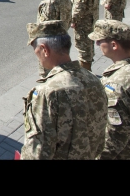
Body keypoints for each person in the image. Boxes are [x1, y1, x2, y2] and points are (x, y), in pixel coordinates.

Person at [21, 20, 107, 160]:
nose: (36, 55)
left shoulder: (47, 92)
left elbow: (38, 152)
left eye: (35, 49)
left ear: (44, 50)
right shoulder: (94, 80)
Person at [89, 20, 130, 160]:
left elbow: (114, 136)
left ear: (114, 45)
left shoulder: (117, 84)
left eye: (99, 41)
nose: (97, 45)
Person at [34, 0, 72, 78]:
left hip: (49, 46)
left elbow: (45, 27)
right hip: (62, 40)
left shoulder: (49, 2)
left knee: (46, 75)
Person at [70, 0, 100, 70]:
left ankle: (85, 71)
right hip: (91, 19)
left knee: (83, 46)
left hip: (83, 21)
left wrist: (73, 20)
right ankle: (87, 66)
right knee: (89, 44)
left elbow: (79, 5)